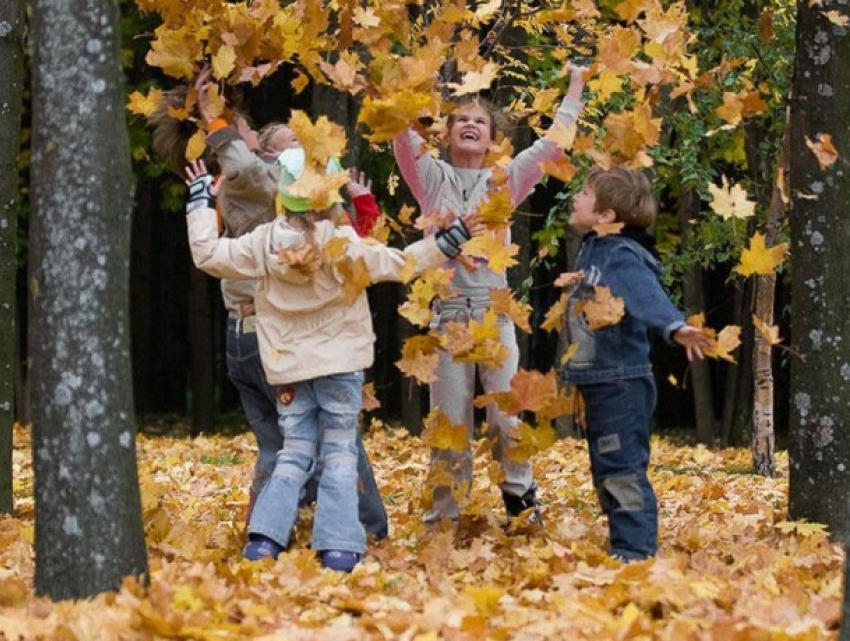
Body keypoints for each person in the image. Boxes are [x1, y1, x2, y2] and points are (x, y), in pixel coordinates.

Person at [183, 150, 482, 571]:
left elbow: (208, 255)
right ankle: (339, 545)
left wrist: (199, 202)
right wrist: (450, 239)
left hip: (287, 367)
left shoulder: (263, 242)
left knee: (294, 451)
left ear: (285, 197)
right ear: (330, 198)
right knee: (339, 452)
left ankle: (264, 540)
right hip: (339, 366)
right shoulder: (341, 245)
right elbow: (401, 264)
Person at [148, 75, 388, 540]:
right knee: (336, 437)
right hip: (272, 337)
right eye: (250, 135)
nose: (251, 136)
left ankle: (267, 533)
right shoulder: (259, 184)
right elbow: (246, 165)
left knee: (279, 448)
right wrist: (215, 119)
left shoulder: (248, 191)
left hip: (244, 336)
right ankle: (364, 529)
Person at [392, 64, 587, 527]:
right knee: (451, 424)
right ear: (447, 133)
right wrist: (412, 83)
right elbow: (401, 135)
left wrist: (575, 86)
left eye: (480, 120)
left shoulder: (507, 179)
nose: (471, 125)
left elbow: (551, 147)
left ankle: (521, 504)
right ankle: (444, 516)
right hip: (449, 320)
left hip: (494, 318)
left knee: (507, 418)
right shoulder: (430, 176)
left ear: (494, 136)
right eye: (461, 119)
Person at [560, 166, 713, 560]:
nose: (576, 197)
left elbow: (646, 295)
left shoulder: (620, 253)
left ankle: (635, 551)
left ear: (606, 216)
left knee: (622, 467)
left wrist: (675, 327)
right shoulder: (593, 247)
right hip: (600, 380)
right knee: (606, 466)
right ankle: (624, 542)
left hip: (621, 383)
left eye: (585, 193)